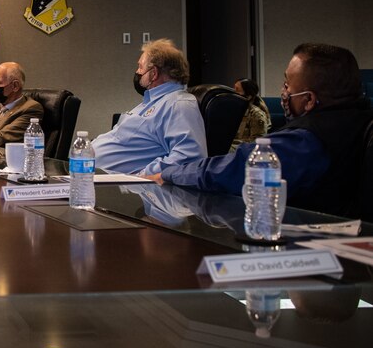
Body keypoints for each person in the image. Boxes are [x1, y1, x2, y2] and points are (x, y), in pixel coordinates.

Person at [156, 43, 373, 218]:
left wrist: (167, 173)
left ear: (308, 100)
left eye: (287, 85)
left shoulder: (307, 140)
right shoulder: (359, 121)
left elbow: (233, 170)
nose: (283, 92)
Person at [92, 38, 207, 175]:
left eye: (140, 67)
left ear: (154, 73)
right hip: (87, 173)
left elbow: (189, 157)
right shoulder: (150, 102)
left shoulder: (179, 105)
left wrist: (142, 177)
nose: (137, 72)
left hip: (119, 187)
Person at [231, 77, 270, 150]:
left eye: (237, 91)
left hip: (244, 153)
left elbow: (257, 144)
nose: (233, 94)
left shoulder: (256, 115)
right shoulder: (233, 111)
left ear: (248, 96)